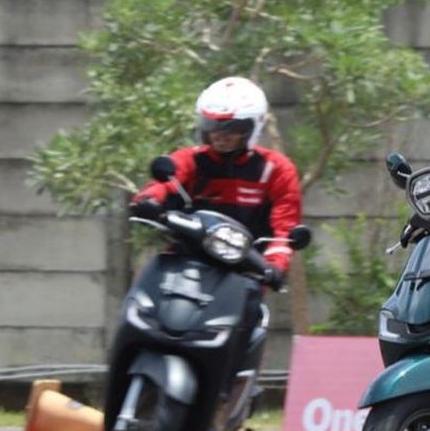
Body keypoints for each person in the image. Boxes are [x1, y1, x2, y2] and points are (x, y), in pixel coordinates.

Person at [130, 76, 303, 289]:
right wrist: (149, 200)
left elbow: (284, 229)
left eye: (232, 128)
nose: (220, 135)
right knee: (139, 309)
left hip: (246, 274)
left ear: (253, 125)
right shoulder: (191, 159)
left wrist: (275, 266)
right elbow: (163, 184)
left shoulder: (276, 169)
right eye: (212, 125)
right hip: (183, 265)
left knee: (253, 320)